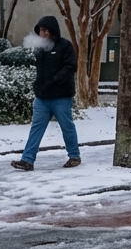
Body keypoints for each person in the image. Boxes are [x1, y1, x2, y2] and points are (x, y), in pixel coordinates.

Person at [12, 16, 81, 171]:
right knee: (36, 127)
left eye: (46, 30)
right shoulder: (40, 47)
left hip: (61, 96)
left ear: (52, 31)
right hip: (42, 97)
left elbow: (71, 67)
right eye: (41, 30)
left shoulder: (65, 46)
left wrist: (56, 80)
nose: (43, 33)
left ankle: (74, 156)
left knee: (66, 126)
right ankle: (27, 160)